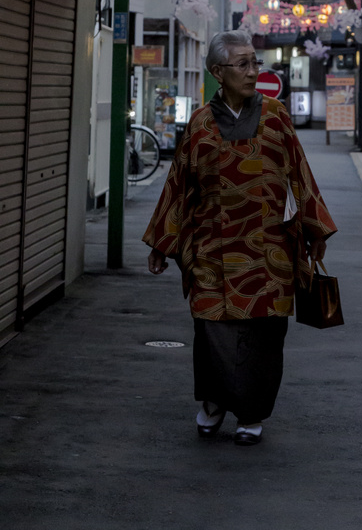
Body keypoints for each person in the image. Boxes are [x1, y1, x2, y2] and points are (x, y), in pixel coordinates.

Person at [143, 30, 337, 446]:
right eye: (243, 64)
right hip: (211, 248)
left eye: (255, 63)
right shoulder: (199, 123)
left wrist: (315, 229)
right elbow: (179, 185)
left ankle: (252, 414)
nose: (253, 72)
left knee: (265, 336)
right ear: (218, 72)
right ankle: (213, 404)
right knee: (211, 332)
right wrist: (163, 240)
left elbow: (300, 174)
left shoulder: (276, 116)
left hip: (268, 249)